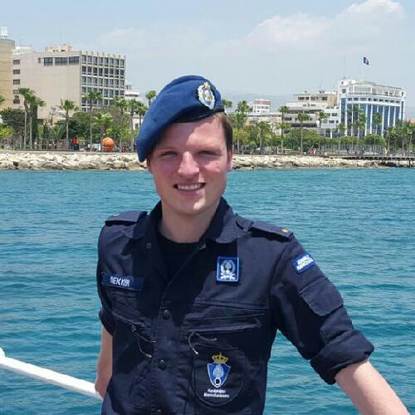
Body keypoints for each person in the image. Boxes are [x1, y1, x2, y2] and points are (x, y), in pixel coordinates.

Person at [95, 75, 409, 415]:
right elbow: (106, 375)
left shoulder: (272, 258)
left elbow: (346, 357)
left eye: (206, 153)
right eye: (169, 154)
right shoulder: (117, 244)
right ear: (149, 162)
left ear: (230, 158)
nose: (187, 169)